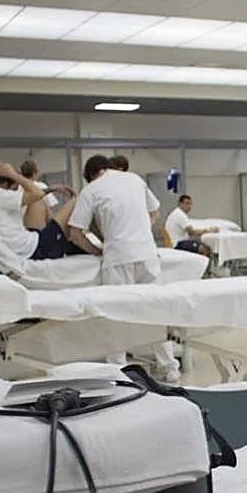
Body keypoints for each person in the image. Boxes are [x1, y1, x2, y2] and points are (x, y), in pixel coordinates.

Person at [68, 154, 181, 381]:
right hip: (147, 254)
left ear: (91, 175)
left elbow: (75, 233)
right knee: (155, 312)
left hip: (118, 258)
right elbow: (155, 212)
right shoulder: (135, 179)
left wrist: (97, 250)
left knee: (116, 316)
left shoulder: (91, 190)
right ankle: (169, 367)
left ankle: (118, 371)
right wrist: (139, 231)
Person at [0, 163, 51, 259]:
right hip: (27, 248)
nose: (15, 192)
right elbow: (39, 194)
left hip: (14, 244)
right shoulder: (0, 196)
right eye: (14, 189)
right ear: (4, 185)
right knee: (40, 202)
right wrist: (13, 175)